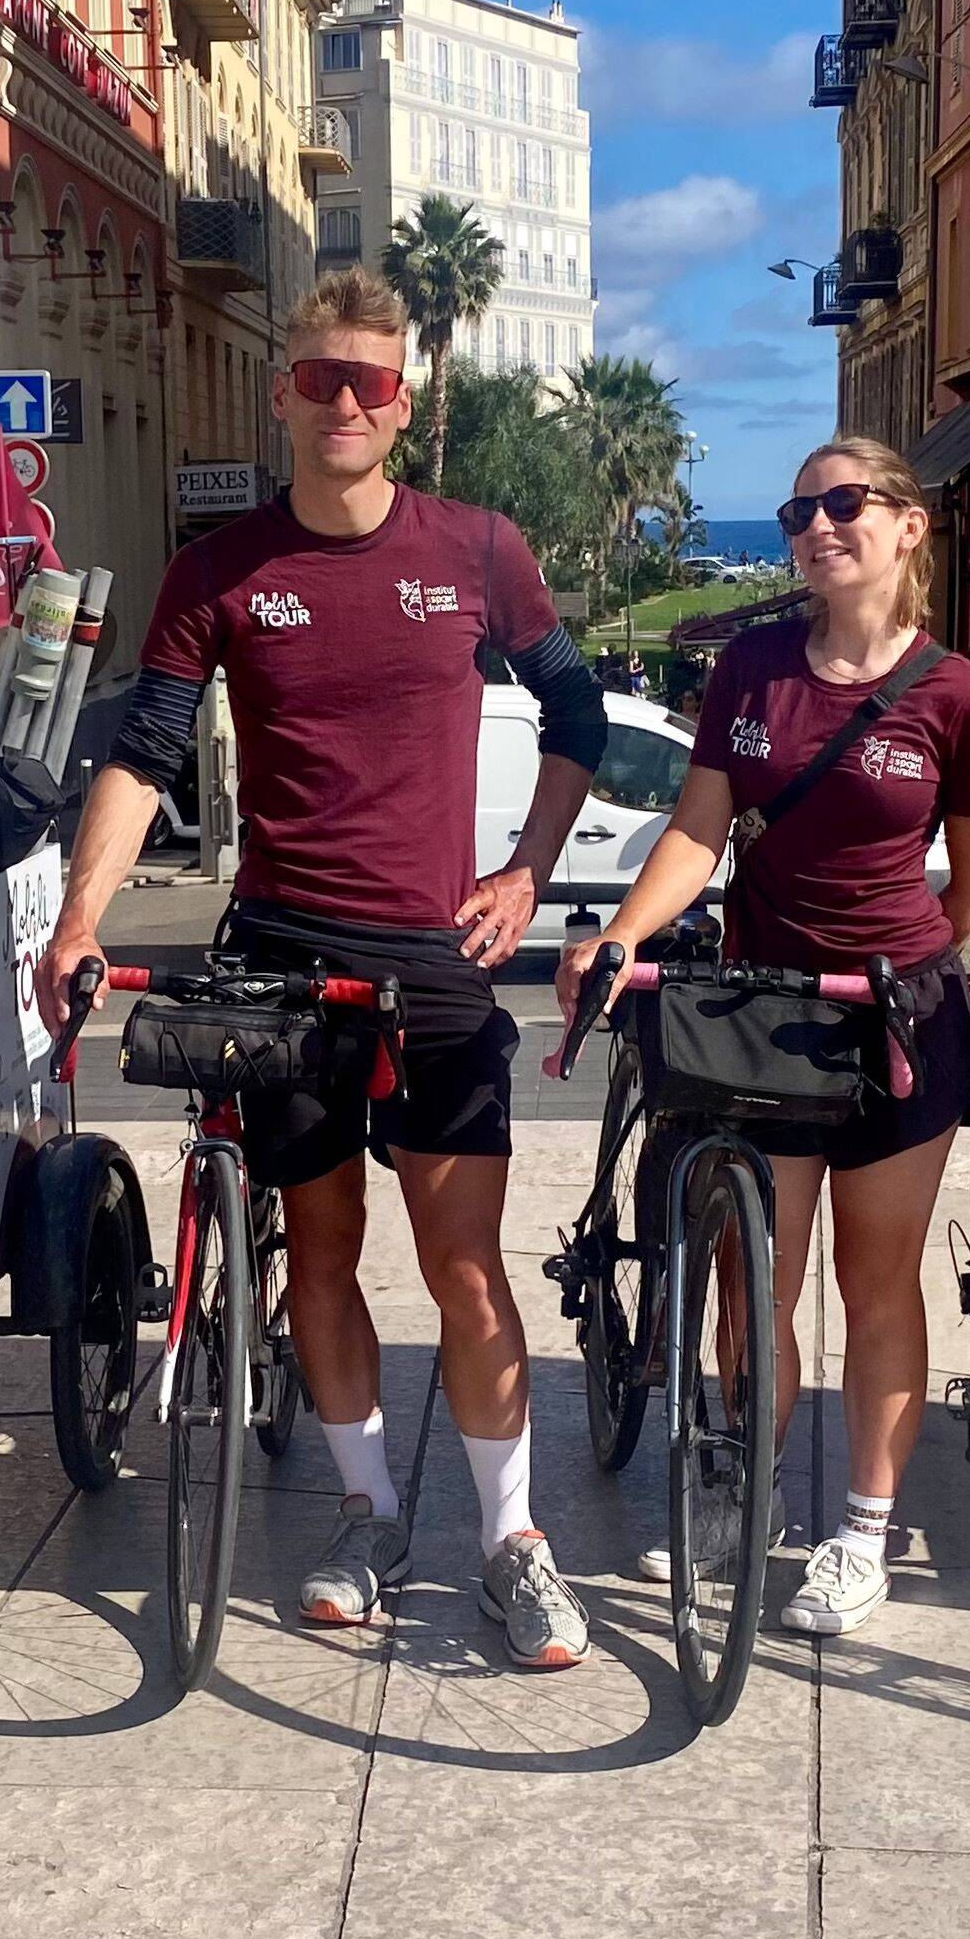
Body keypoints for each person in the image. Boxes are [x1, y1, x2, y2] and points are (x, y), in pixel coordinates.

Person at [37, 268, 610, 1670]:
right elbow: (144, 755)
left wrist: (525, 873)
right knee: (324, 1252)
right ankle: (368, 1516)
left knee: (464, 1266)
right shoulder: (219, 573)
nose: (344, 401)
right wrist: (79, 917)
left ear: (402, 404)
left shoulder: (477, 550)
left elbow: (577, 708)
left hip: (433, 956)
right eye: (319, 379)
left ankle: (512, 1542)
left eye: (369, 381)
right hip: (280, 959)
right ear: (281, 396)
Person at [557, 438, 970, 1635]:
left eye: (844, 504)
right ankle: (746, 1487)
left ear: (908, 525)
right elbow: (696, 830)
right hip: (763, 1013)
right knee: (752, 1276)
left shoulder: (959, 693)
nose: (817, 526)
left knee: (877, 1283)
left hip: (896, 1020)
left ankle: (861, 1531)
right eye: (798, 510)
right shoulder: (753, 669)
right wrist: (621, 935)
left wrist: (906, 960)